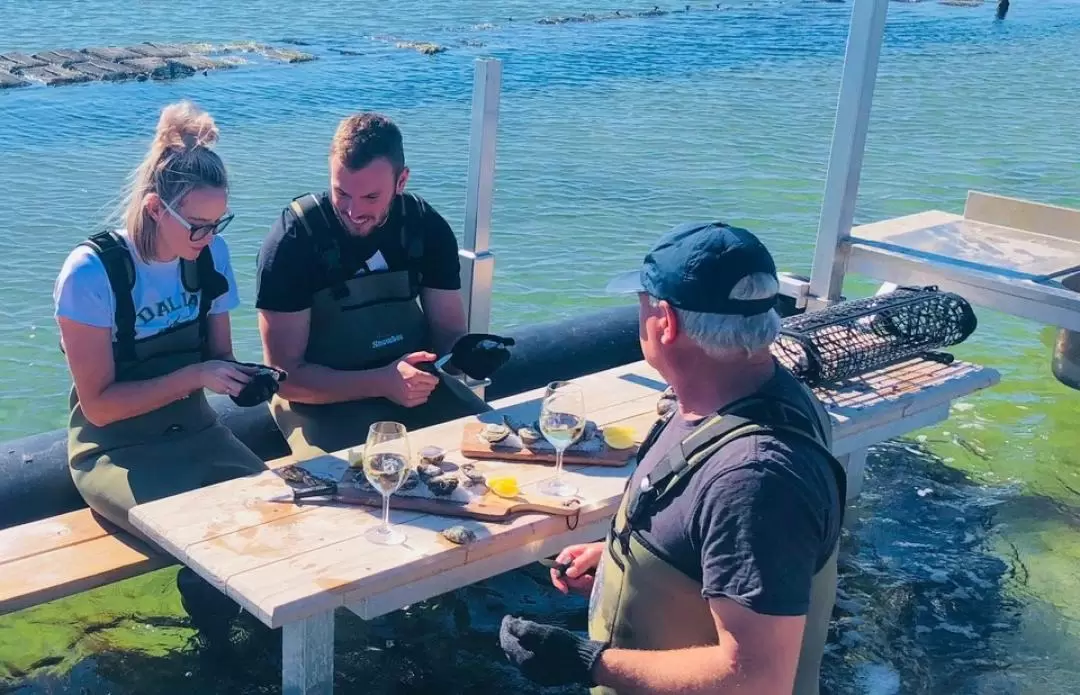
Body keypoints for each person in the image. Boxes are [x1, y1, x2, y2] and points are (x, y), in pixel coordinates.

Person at [499, 222, 847, 695]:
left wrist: (585, 661)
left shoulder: (756, 478)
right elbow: (717, 550)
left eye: (642, 306)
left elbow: (758, 680)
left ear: (666, 323)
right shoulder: (744, 400)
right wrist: (629, 565)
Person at [53, 100, 269, 645]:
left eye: (217, 223)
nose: (209, 237)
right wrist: (196, 375)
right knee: (203, 538)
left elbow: (219, 357)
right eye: (197, 226)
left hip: (200, 432)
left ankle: (274, 642)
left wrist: (252, 379)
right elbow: (99, 405)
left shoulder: (211, 254)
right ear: (155, 208)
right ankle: (218, 649)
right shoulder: (91, 273)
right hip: (114, 450)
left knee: (283, 518)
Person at [255, 111, 496, 460]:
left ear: (402, 182)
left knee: (494, 453)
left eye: (370, 197)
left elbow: (447, 334)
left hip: (416, 387)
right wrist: (382, 381)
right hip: (320, 403)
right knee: (365, 484)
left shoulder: (424, 226)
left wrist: (467, 354)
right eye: (341, 193)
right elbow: (286, 378)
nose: (353, 211)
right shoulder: (292, 241)